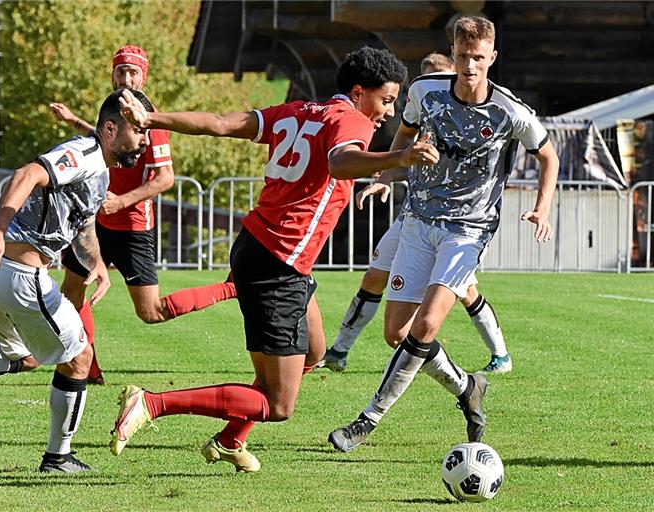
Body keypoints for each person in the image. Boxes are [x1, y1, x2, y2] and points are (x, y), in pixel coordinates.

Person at [106, 46, 439, 472]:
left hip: (263, 249)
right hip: (278, 264)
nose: (389, 114)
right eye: (387, 100)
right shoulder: (350, 119)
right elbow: (339, 163)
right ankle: (151, 403)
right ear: (359, 92)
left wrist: (153, 119)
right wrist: (399, 157)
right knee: (277, 403)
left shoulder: (299, 109)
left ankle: (229, 440)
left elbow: (222, 124)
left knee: (314, 353)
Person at [328, 16, 559, 453]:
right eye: (462, 56)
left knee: (428, 323)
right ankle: (467, 388)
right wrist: (388, 173)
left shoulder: (510, 111)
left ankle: (366, 421)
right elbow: (407, 137)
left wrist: (542, 208)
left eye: (478, 58)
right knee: (397, 333)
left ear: (492, 58)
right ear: (451, 54)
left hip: (467, 231)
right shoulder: (423, 92)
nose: (469, 66)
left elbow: (549, 156)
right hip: (417, 221)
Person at [0, 89, 151, 473]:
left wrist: (98, 263)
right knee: (80, 356)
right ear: (110, 128)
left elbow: (82, 224)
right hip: (18, 271)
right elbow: (28, 173)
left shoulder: (99, 171)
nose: (144, 139)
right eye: (138, 131)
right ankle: (58, 456)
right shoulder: (84, 153)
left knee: (26, 356)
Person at [49, 45, 237, 385]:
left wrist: (121, 202)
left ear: (144, 76)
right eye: (121, 71)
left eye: (133, 72)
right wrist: (74, 121)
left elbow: (165, 178)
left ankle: (231, 288)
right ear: (112, 74)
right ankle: (88, 367)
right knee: (72, 292)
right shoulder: (109, 109)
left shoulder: (152, 119)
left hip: (133, 226)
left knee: (151, 312)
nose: (126, 78)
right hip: (96, 220)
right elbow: (103, 139)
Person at [320, 49, 512, 375]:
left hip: (456, 225)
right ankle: (339, 350)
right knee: (373, 277)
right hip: (413, 216)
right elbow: (405, 150)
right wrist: (385, 178)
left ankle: (500, 357)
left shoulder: (465, 117)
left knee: (467, 292)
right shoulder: (421, 113)